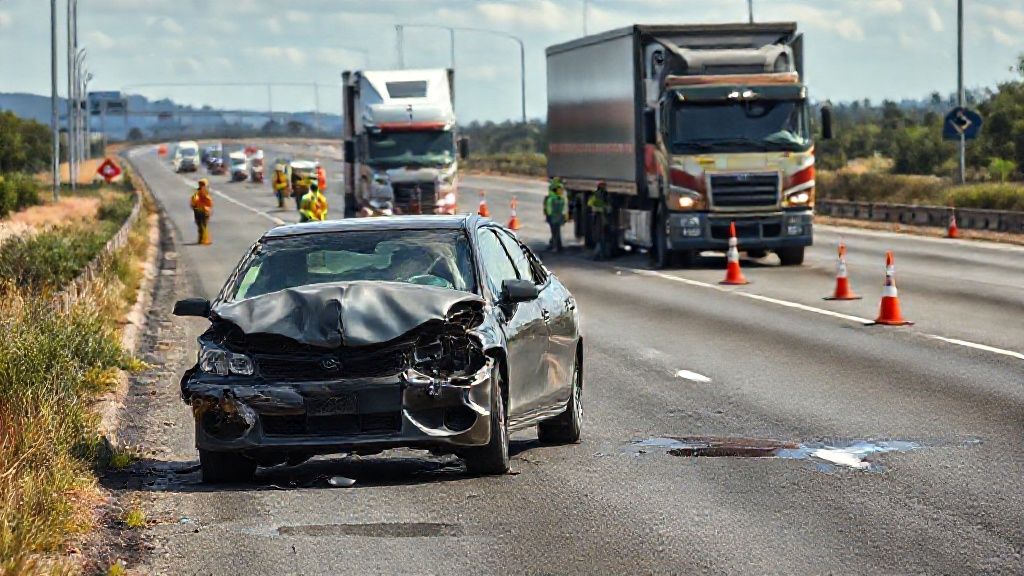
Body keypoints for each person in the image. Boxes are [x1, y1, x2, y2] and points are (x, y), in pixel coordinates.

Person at [588, 180, 612, 260]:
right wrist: (601, 208)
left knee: (602, 237)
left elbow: (590, 204)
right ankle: (599, 254)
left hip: (602, 217)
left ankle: (600, 254)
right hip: (600, 217)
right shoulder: (598, 195)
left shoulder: (603, 195)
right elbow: (591, 204)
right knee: (601, 237)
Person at [544, 179, 568, 252]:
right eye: (560, 190)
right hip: (556, 217)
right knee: (556, 232)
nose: (561, 191)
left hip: (555, 217)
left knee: (555, 232)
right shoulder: (556, 198)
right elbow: (549, 209)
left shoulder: (555, 198)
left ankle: (556, 246)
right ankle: (557, 246)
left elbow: (549, 209)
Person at [190, 179, 213, 245]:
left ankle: (201, 239)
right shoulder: (204, 192)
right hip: (203, 210)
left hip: (198, 210)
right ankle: (204, 240)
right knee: (203, 225)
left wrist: (194, 207)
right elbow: (209, 202)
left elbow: (193, 202)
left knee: (200, 225)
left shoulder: (197, 192)